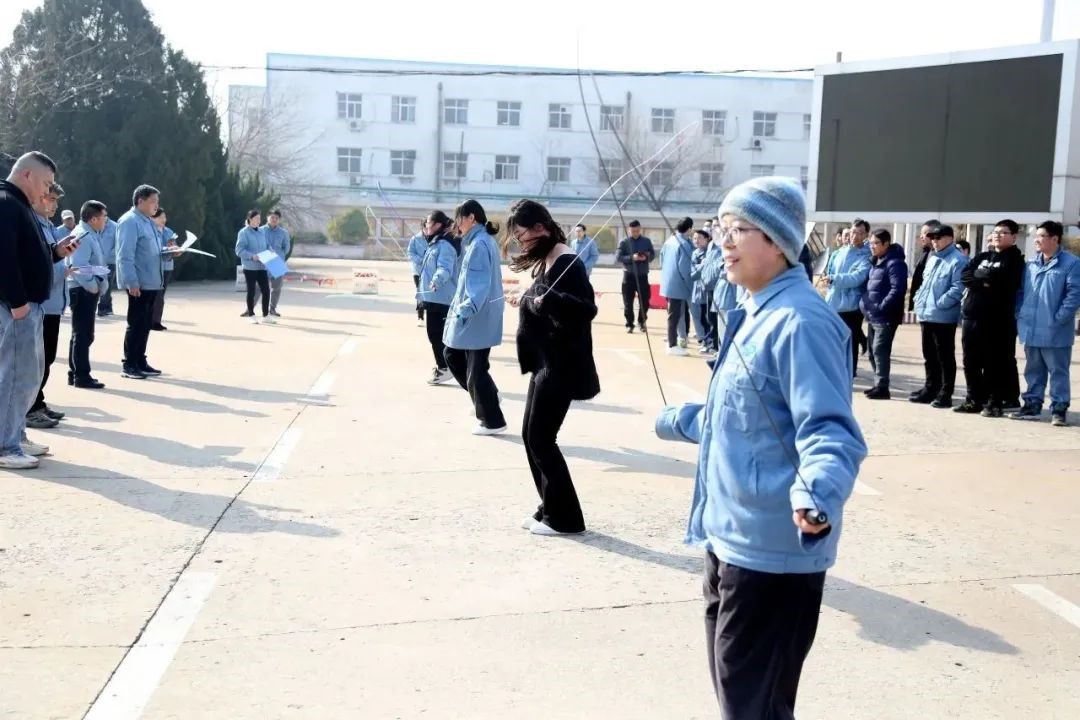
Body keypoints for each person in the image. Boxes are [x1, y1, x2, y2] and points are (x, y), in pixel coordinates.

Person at [655, 176, 866, 718]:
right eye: (720, 228)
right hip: (728, 538)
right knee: (738, 699)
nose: (723, 241)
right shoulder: (754, 310)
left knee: (755, 708)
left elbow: (829, 431)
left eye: (737, 229)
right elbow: (749, 417)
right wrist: (684, 421)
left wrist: (815, 493)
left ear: (777, 241)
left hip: (773, 556)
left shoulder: (800, 322)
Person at [505, 199, 599, 536]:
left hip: (562, 363)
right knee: (531, 436)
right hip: (545, 361)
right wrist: (526, 298)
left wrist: (547, 301)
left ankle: (566, 519)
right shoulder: (548, 259)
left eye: (522, 236)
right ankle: (549, 505)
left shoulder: (567, 261)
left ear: (540, 228)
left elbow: (586, 308)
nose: (520, 243)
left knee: (542, 438)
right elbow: (540, 297)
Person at [0, 151, 78, 469]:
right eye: (46, 183)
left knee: (29, 377)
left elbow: (26, 255)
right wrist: (17, 303)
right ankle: (5, 446)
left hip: (28, 306)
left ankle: (15, 436)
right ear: (27, 175)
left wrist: (55, 253)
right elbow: (4, 259)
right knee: (15, 376)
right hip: (15, 307)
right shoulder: (6, 203)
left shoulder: (21, 206)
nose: (48, 191)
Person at [443, 199, 507, 435]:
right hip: (478, 312)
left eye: (460, 217)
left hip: (477, 314)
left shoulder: (479, 244)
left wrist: (464, 311)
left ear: (472, 218)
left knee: (475, 371)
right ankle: (488, 398)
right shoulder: (478, 241)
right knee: (456, 357)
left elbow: (478, 286)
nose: (457, 223)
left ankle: (493, 420)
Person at [1012, 220, 1080, 426]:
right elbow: (1021, 292)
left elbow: (1074, 295)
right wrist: (1020, 312)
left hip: (1055, 329)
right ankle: (1032, 404)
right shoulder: (1031, 264)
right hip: (1031, 327)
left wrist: (1059, 318)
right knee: (1033, 370)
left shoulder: (1071, 263)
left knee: (1058, 371)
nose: (1036, 240)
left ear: (1054, 239)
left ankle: (1059, 408)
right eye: (1036, 236)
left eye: (1041, 236)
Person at [955, 219, 1026, 416]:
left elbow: (1004, 282)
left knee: (994, 362)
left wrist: (983, 278)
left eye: (1003, 232)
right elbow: (966, 276)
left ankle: (994, 401)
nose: (997, 235)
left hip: (997, 319)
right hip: (972, 316)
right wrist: (984, 279)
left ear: (1013, 237)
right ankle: (973, 399)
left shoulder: (1015, 259)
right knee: (971, 360)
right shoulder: (983, 255)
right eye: (996, 232)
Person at [25, 182, 69, 430]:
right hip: (40, 301)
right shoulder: (31, 224)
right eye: (50, 199)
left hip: (52, 303)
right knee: (34, 360)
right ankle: (30, 409)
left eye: (56, 201)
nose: (54, 205)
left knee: (47, 358)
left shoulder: (49, 226)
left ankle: (38, 402)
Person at [911, 225, 966, 408]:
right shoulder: (933, 258)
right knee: (929, 355)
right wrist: (919, 300)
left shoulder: (957, 260)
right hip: (927, 314)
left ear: (950, 238)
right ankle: (930, 388)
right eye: (932, 238)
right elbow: (925, 283)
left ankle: (945, 392)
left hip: (943, 317)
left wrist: (940, 303)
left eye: (938, 238)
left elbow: (958, 287)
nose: (934, 241)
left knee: (945, 357)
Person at [116, 184, 166, 379]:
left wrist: (170, 254)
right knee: (136, 323)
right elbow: (124, 256)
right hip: (139, 283)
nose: (156, 206)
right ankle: (129, 364)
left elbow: (153, 251)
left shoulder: (147, 222)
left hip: (152, 281)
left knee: (145, 324)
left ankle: (140, 360)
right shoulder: (130, 222)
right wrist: (131, 281)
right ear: (140, 201)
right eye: (153, 201)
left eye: (157, 202)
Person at [860, 229, 908, 400]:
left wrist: (882, 306)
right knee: (873, 351)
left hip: (885, 316)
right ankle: (878, 383)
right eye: (871, 243)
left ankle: (883, 387)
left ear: (886, 244)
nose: (872, 246)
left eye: (876, 243)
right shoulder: (876, 262)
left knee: (880, 350)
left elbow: (898, 289)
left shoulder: (895, 264)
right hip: (873, 315)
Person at [66, 201, 110, 389]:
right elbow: (78, 267)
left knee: (81, 334)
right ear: (93, 219)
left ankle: (75, 372)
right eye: (104, 217)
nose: (106, 221)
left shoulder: (91, 233)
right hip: (83, 290)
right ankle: (81, 376)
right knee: (83, 335)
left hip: (86, 290)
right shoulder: (82, 235)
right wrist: (93, 287)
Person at [822, 218, 872, 376]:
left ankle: (849, 372)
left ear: (866, 235)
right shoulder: (839, 253)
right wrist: (829, 280)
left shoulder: (866, 256)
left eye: (859, 233)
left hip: (851, 305)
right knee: (832, 341)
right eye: (853, 232)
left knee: (850, 343)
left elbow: (857, 277)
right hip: (833, 303)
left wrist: (834, 278)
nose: (855, 236)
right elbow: (829, 271)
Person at [417, 210, 460, 386]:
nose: (426, 227)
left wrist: (436, 280)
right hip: (433, 297)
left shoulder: (445, 246)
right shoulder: (435, 243)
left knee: (437, 335)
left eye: (428, 224)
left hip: (441, 297)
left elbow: (445, 268)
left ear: (437, 225)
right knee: (435, 334)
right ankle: (445, 367)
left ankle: (445, 368)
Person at [660, 216, 695, 355]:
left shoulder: (670, 241)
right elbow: (685, 269)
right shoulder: (684, 244)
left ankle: (672, 342)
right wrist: (690, 285)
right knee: (674, 315)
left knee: (673, 314)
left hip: (668, 281)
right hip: (678, 284)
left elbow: (662, 260)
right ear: (690, 229)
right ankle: (672, 345)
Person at [615, 220, 655, 333]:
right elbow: (618, 257)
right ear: (629, 230)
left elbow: (652, 255)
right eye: (633, 231)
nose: (635, 233)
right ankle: (629, 323)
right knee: (628, 302)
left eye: (637, 231)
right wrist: (632, 257)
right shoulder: (624, 242)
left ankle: (642, 322)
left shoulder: (646, 241)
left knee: (645, 301)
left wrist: (646, 257)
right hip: (629, 275)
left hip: (642, 275)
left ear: (640, 229)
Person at [235, 209, 273, 324]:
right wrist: (252, 256)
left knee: (266, 290)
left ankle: (266, 315)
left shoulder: (262, 232)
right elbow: (239, 250)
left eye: (259, 219)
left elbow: (267, 246)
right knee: (251, 291)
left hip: (262, 267)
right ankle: (251, 315)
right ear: (250, 219)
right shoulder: (244, 232)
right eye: (256, 219)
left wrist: (271, 253)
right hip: (250, 267)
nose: (258, 221)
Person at [150, 207, 178, 332]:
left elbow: (175, 248)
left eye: (164, 217)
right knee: (156, 295)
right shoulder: (150, 231)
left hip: (167, 267)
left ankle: (156, 321)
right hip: (154, 267)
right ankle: (152, 321)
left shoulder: (169, 231)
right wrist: (166, 249)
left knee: (160, 295)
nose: (164, 220)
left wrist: (177, 250)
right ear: (152, 218)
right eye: (161, 217)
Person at [689, 229, 715, 354]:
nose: (696, 240)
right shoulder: (694, 254)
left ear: (707, 239)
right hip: (699, 289)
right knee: (702, 317)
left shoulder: (713, 252)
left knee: (711, 317)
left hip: (711, 289)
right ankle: (706, 341)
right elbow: (693, 274)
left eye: (699, 238)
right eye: (694, 238)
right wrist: (702, 265)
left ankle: (713, 342)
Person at [262, 209, 291, 318]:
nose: (274, 219)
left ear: (279, 220)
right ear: (267, 218)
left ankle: (272, 309)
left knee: (276, 288)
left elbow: (287, 247)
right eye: (272, 217)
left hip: (277, 262)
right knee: (259, 287)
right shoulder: (260, 231)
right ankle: (251, 308)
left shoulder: (283, 233)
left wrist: (280, 255)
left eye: (276, 218)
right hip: (263, 261)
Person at [908, 220, 940, 312]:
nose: (922, 236)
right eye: (921, 233)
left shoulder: (939, 255)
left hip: (932, 307)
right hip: (920, 304)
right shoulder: (925, 253)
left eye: (925, 233)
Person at [96, 217, 118, 317]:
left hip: (110, 261)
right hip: (97, 260)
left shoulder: (115, 226)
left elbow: (118, 244)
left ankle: (102, 308)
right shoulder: (95, 224)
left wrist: (109, 255)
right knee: (102, 283)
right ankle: (108, 307)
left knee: (107, 283)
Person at [406, 224, 427, 326]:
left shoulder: (436, 239)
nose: (428, 230)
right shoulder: (415, 239)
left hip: (431, 272)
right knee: (420, 292)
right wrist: (419, 260)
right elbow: (410, 253)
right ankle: (420, 316)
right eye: (426, 227)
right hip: (418, 271)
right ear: (422, 227)